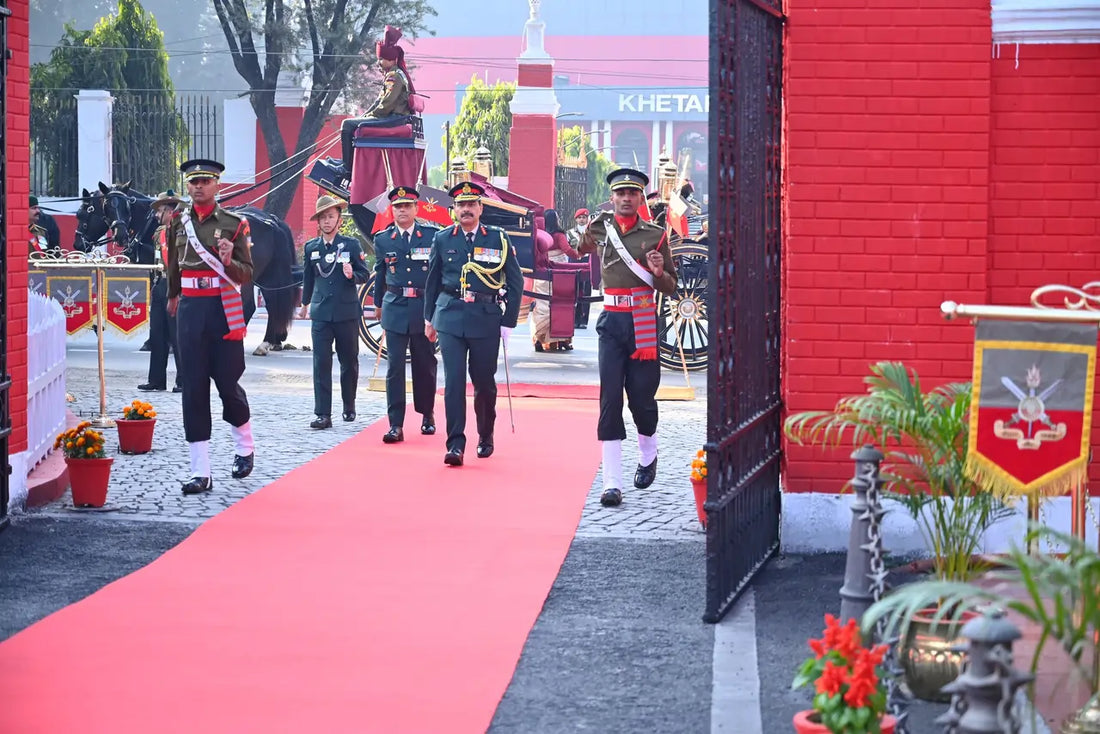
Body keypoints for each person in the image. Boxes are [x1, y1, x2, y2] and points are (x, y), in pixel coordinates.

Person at [578, 168, 679, 507]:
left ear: (639, 199)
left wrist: (658, 271)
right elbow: (579, 248)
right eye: (620, 193)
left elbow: (670, 286)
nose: (625, 198)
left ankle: (648, 454)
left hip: (642, 321)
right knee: (610, 399)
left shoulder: (655, 235)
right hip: (611, 321)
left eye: (632, 194)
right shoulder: (601, 227)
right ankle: (611, 482)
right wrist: (587, 230)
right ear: (612, 197)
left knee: (642, 399)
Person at [165, 159, 255, 495]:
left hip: (222, 308)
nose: (199, 186)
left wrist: (229, 259)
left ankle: (244, 446)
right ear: (188, 186)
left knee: (228, 382)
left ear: (217, 185)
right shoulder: (178, 222)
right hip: (191, 310)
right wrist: (172, 295)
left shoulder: (234, 223)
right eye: (194, 182)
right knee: (193, 387)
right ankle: (200, 471)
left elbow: (247, 273)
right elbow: (174, 266)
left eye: (205, 181)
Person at [423, 181, 523, 467]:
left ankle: (485, 434)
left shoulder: (498, 238)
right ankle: (455, 444)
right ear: (454, 209)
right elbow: (432, 282)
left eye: (471, 204)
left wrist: (508, 321)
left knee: (484, 383)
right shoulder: (442, 238)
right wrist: (429, 319)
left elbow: (515, 281)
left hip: (485, 317)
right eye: (460, 205)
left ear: (480, 208)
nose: (465, 209)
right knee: (454, 382)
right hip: (450, 316)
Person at [373, 186, 440, 443]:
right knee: (395, 368)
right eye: (398, 207)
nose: (402, 210)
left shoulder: (431, 236)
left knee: (425, 365)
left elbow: (436, 275)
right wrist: (378, 304)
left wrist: (436, 310)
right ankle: (395, 424)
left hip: (423, 308)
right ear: (392, 210)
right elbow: (380, 274)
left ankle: (427, 414)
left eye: (407, 206)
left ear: (416, 208)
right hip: (395, 307)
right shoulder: (383, 239)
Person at [299, 195, 371, 429]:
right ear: (318, 222)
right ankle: (323, 413)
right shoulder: (312, 248)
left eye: (331, 217)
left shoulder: (351, 245)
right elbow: (308, 279)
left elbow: (364, 274)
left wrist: (352, 275)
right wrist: (304, 304)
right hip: (321, 313)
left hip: (346, 312)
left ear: (339, 220)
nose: (327, 221)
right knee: (321, 363)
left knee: (348, 361)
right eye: (323, 218)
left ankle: (349, 405)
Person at [337, 25, 417, 178]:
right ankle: (347, 164)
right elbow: (379, 102)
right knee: (352, 123)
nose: (378, 62)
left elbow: (386, 104)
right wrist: (366, 115)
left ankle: (347, 168)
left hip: (394, 119)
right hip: (394, 117)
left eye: (381, 59)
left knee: (347, 124)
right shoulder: (395, 74)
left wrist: (371, 115)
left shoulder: (394, 76)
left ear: (391, 59)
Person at [139, 190, 184, 393]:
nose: (157, 215)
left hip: (177, 284)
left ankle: (183, 380)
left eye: (160, 211)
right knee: (157, 334)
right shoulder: (160, 232)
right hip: (160, 283)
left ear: (169, 211)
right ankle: (156, 379)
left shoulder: (183, 230)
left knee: (177, 335)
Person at [531, 209, 580, 352]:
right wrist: (579, 254)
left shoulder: (540, 235)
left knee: (542, 305)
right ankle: (562, 340)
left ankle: (539, 338)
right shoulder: (559, 235)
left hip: (542, 272)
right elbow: (568, 250)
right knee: (562, 303)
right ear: (556, 220)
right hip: (560, 273)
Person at [567, 208, 596, 329]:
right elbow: (567, 248)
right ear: (576, 219)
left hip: (587, 261)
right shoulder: (569, 233)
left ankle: (584, 320)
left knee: (586, 290)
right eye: (579, 218)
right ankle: (575, 319)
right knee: (575, 290)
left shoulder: (592, 232)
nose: (582, 220)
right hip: (574, 261)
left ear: (587, 218)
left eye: (584, 217)